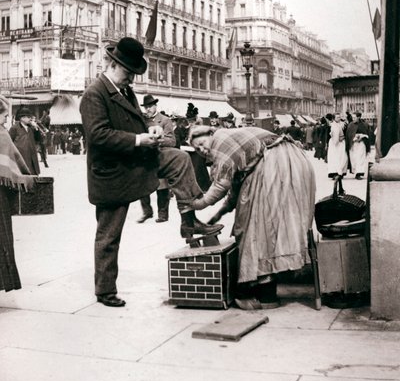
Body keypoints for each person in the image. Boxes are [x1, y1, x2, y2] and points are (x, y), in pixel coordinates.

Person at [79, 37, 222, 307]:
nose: (132, 79)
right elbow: (98, 136)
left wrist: (150, 130)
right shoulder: (94, 94)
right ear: (112, 64)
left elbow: (137, 120)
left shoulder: (125, 91)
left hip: (136, 160)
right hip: (112, 171)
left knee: (179, 159)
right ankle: (105, 290)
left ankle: (189, 221)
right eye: (128, 72)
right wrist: (137, 140)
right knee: (109, 234)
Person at [189, 125, 316, 310]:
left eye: (201, 143)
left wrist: (197, 204)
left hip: (276, 165)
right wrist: (218, 214)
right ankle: (266, 291)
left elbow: (221, 184)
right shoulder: (233, 145)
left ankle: (264, 293)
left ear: (210, 134)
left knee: (258, 229)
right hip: (291, 163)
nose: (202, 149)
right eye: (197, 149)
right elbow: (235, 188)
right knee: (271, 228)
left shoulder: (220, 139)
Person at [0, 95, 36, 292]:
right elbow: (13, 164)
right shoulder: (2, 133)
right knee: (3, 237)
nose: (6, 120)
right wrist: (27, 178)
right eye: (4, 116)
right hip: (0, 196)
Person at [136, 94, 176, 224]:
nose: (147, 109)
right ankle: (147, 211)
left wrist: (158, 140)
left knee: (162, 186)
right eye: (146, 107)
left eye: (150, 106)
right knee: (142, 185)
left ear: (155, 106)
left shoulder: (165, 120)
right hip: (144, 157)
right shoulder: (142, 120)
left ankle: (162, 214)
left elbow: (172, 141)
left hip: (159, 156)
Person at [9, 107, 41, 175]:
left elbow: (38, 139)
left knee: (33, 175)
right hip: (21, 158)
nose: (30, 119)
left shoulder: (31, 128)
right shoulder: (14, 128)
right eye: (28, 117)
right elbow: (9, 142)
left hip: (32, 157)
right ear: (22, 118)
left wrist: (36, 128)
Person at [345, 112, 370, 179]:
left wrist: (362, 137)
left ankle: (359, 172)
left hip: (361, 144)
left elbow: (367, 134)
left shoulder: (364, 124)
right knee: (354, 158)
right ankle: (356, 171)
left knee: (360, 158)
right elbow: (348, 135)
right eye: (352, 117)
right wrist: (353, 138)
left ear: (359, 117)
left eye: (354, 117)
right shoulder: (350, 125)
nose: (353, 119)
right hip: (353, 144)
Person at [327, 113, 348, 179]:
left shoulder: (343, 124)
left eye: (339, 117)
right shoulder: (332, 125)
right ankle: (334, 172)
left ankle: (341, 172)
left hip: (341, 143)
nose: (339, 118)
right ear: (334, 118)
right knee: (334, 157)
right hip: (334, 143)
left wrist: (342, 138)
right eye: (337, 117)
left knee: (342, 157)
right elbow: (329, 134)